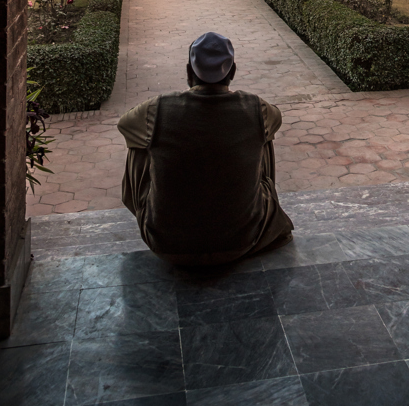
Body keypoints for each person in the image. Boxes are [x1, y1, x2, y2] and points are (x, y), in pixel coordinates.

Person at [117, 31, 293, 265]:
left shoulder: (157, 109)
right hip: (243, 240)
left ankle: (154, 211)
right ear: (233, 72)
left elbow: (124, 124)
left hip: (167, 244)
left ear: (189, 72)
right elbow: (277, 118)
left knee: (141, 142)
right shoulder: (255, 107)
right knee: (264, 134)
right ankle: (252, 209)